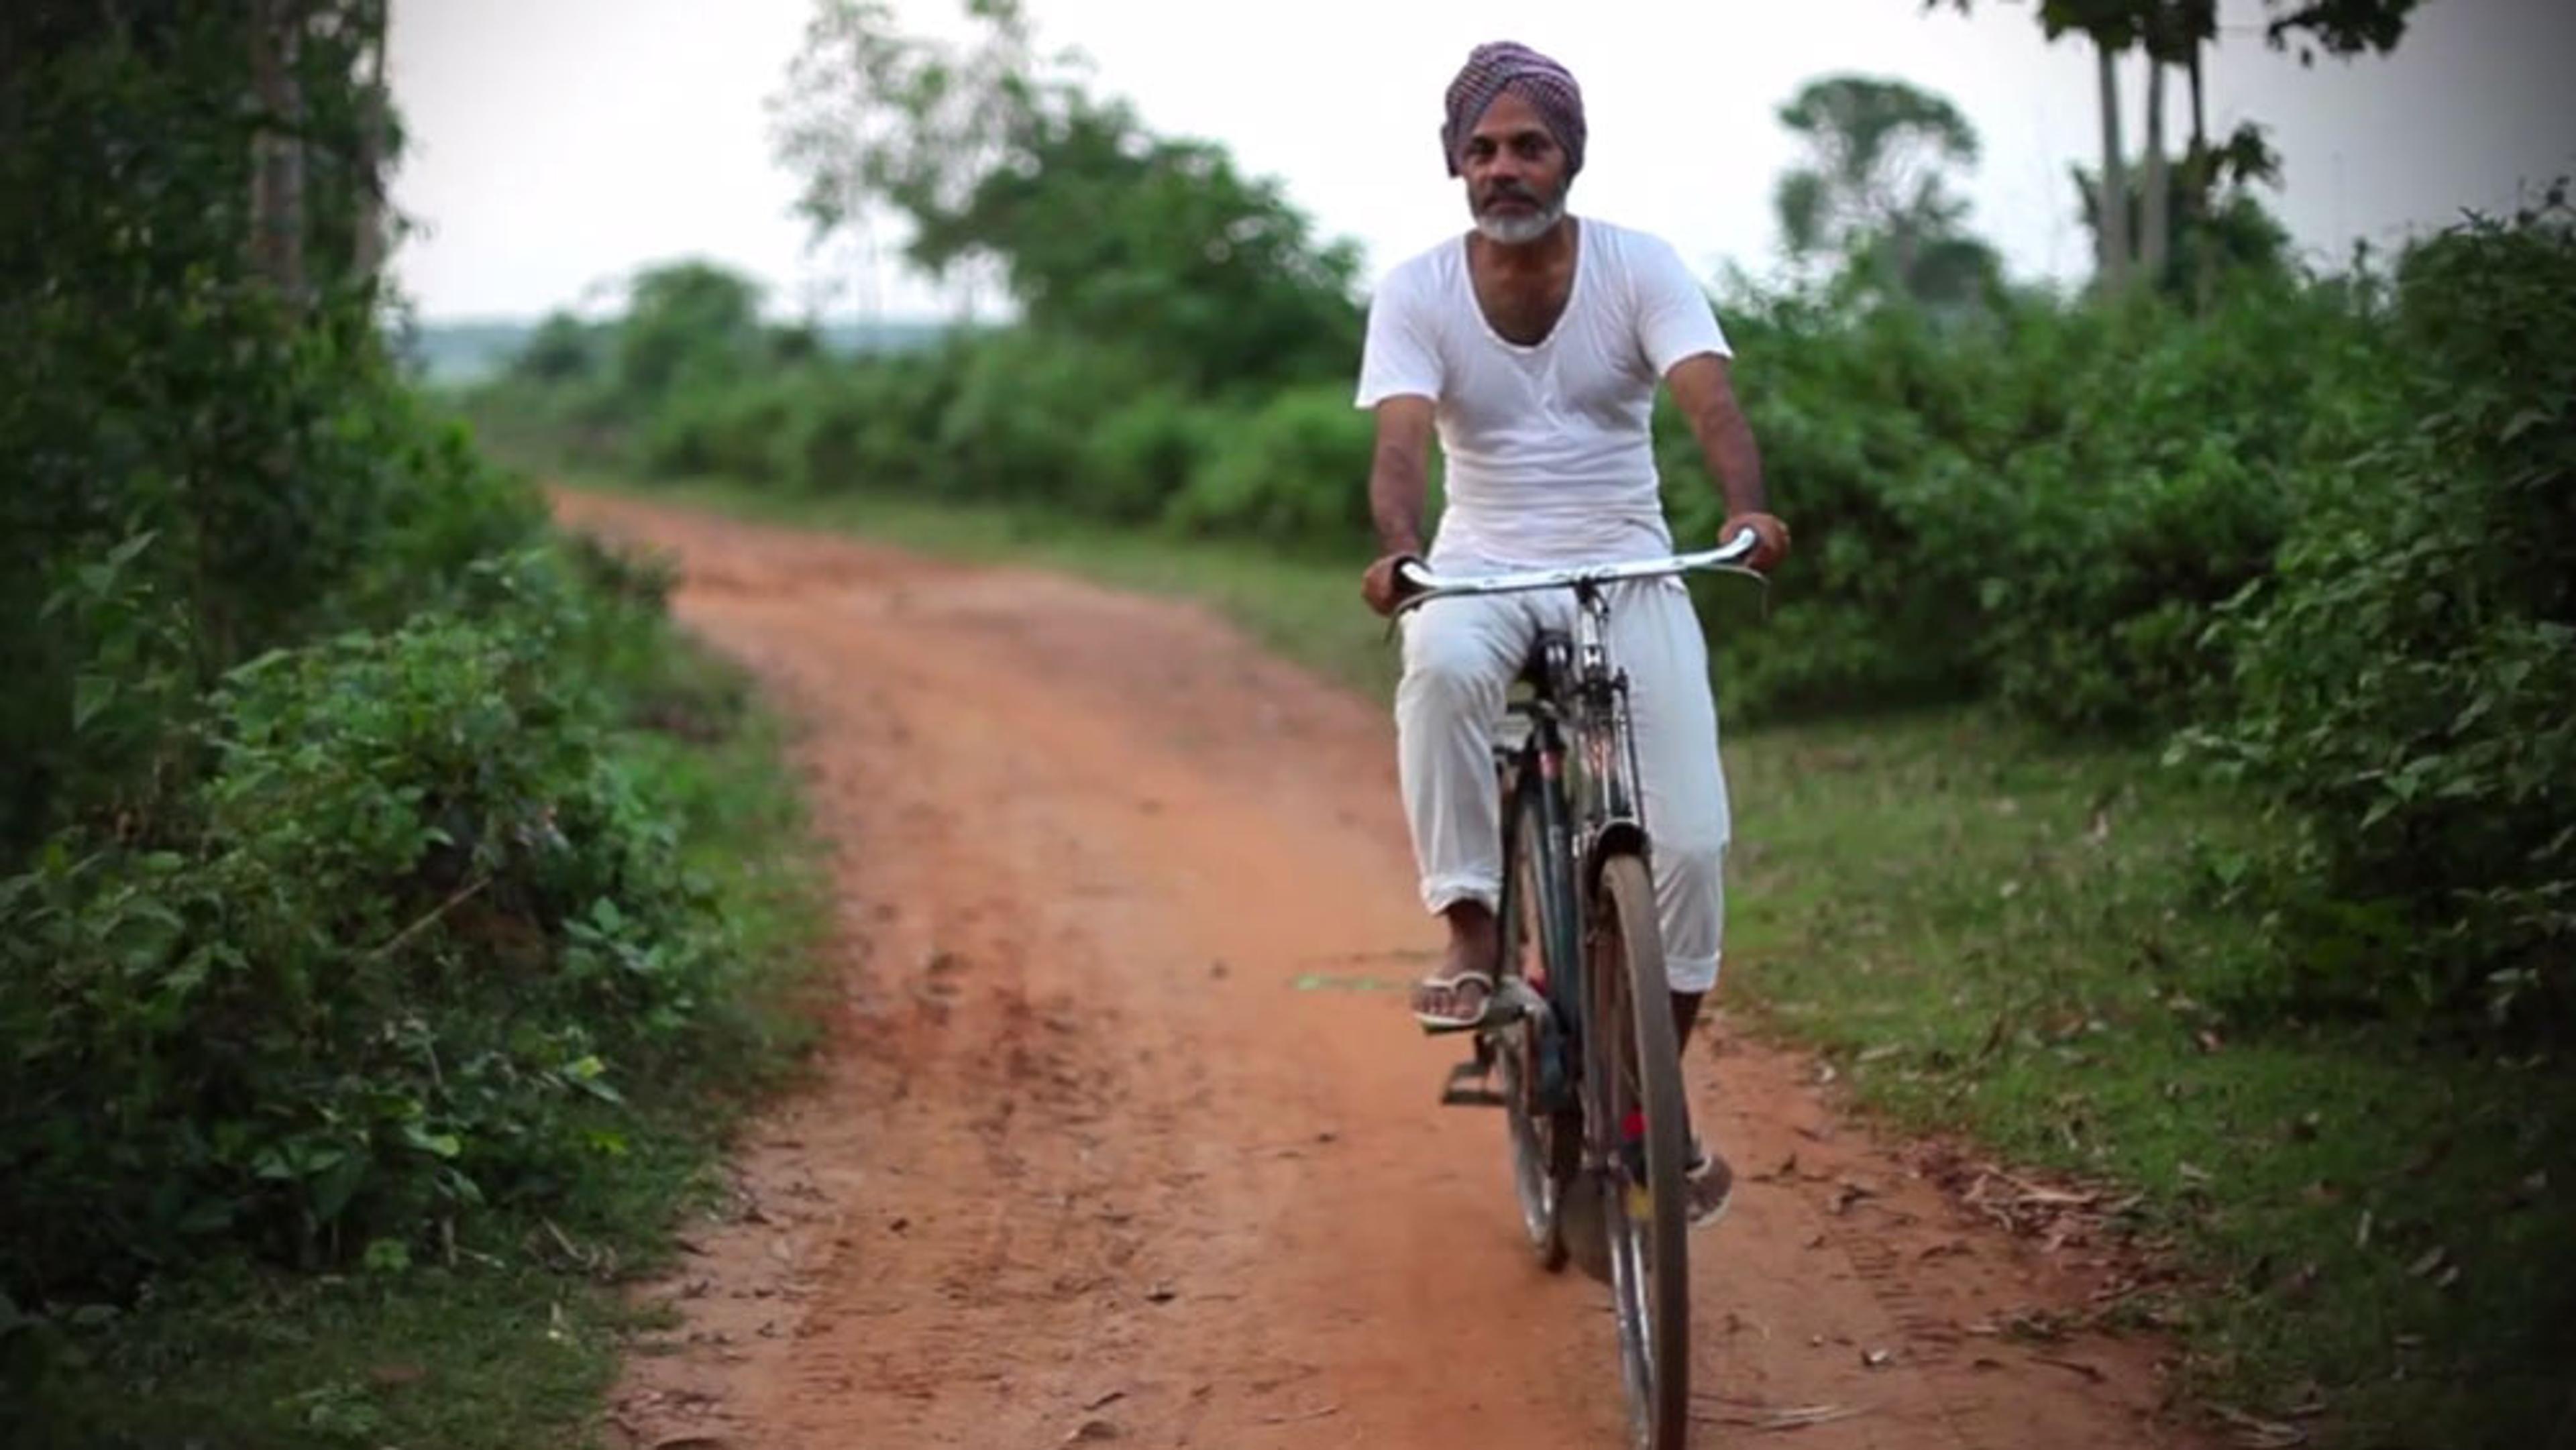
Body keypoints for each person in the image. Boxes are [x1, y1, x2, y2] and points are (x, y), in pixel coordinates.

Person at [1354, 40, 1789, 1227]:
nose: (1505, 167)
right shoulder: (1418, 289)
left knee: (1690, 846)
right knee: (1438, 665)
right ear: (1455, 163)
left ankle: (1643, 1098)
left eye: (1528, 145)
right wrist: (1402, 550)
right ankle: (1472, 922)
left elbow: (1711, 398)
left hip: (1631, 559)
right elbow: (1400, 446)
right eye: (1483, 148)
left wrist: (1745, 506)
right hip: (1486, 562)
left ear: (1570, 158)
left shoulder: (1641, 269)